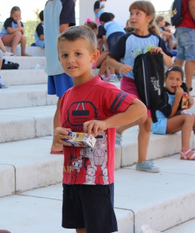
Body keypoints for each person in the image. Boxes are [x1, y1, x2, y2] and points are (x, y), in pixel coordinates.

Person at [53, 25, 146, 233]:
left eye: (78, 53)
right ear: (59, 59)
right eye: (65, 54)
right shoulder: (67, 95)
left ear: (94, 56)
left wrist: (105, 123)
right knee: (80, 228)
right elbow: (65, 129)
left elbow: (139, 109)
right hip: (71, 176)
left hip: (97, 179)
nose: (71, 60)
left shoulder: (103, 89)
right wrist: (59, 134)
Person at [107, 1, 173, 172]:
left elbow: (169, 62)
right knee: (143, 115)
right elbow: (109, 59)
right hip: (130, 83)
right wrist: (120, 67)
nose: (133, 17)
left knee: (146, 122)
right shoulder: (126, 38)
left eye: (138, 14)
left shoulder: (156, 39)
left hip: (149, 86)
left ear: (149, 18)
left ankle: (141, 160)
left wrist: (161, 53)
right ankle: (118, 129)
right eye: (131, 13)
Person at [44, 0, 75, 154]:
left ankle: (59, 142)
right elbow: (64, 29)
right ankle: (57, 144)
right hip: (64, 59)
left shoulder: (49, 3)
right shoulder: (67, 1)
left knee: (62, 101)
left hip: (53, 57)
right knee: (65, 101)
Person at [151, 66, 195, 160]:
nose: (174, 82)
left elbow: (181, 112)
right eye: (171, 78)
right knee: (188, 117)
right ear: (164, 80)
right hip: (159, 124)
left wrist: (188, 105)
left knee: (192, 116)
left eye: (178, 79)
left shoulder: (181, 92)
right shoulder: (160, 94)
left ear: (181, 82)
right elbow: (169, 115)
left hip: (169, 122)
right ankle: (185, 150)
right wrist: (178, 98)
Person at [173, 0, 195, 94]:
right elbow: (193, 6)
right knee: (192, 58)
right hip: (189, 26)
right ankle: (188, 87)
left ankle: (173, 83)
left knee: (180, 57)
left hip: (180, 26)